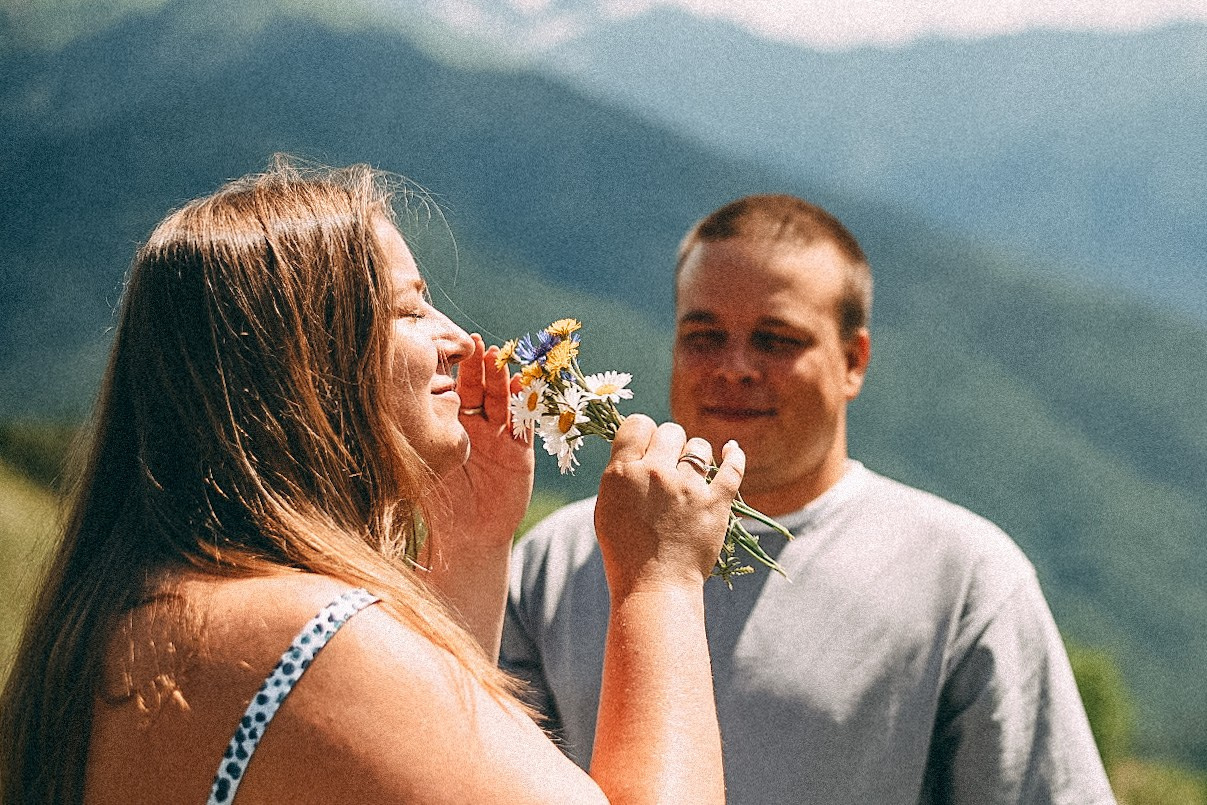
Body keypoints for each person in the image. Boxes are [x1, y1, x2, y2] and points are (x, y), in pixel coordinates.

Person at [0, 158, 747, 805]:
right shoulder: (308, 637)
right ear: (308, 360)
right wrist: (661, 580)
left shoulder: (129, 614)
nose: (458, 339)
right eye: (411, 307)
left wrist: (471, 538)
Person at [501, 194, 1116, 804]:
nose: (735, 367)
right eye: (704, 335)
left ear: (854, 361)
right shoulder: (556, 561)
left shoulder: (964, 578)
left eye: (775, 340)